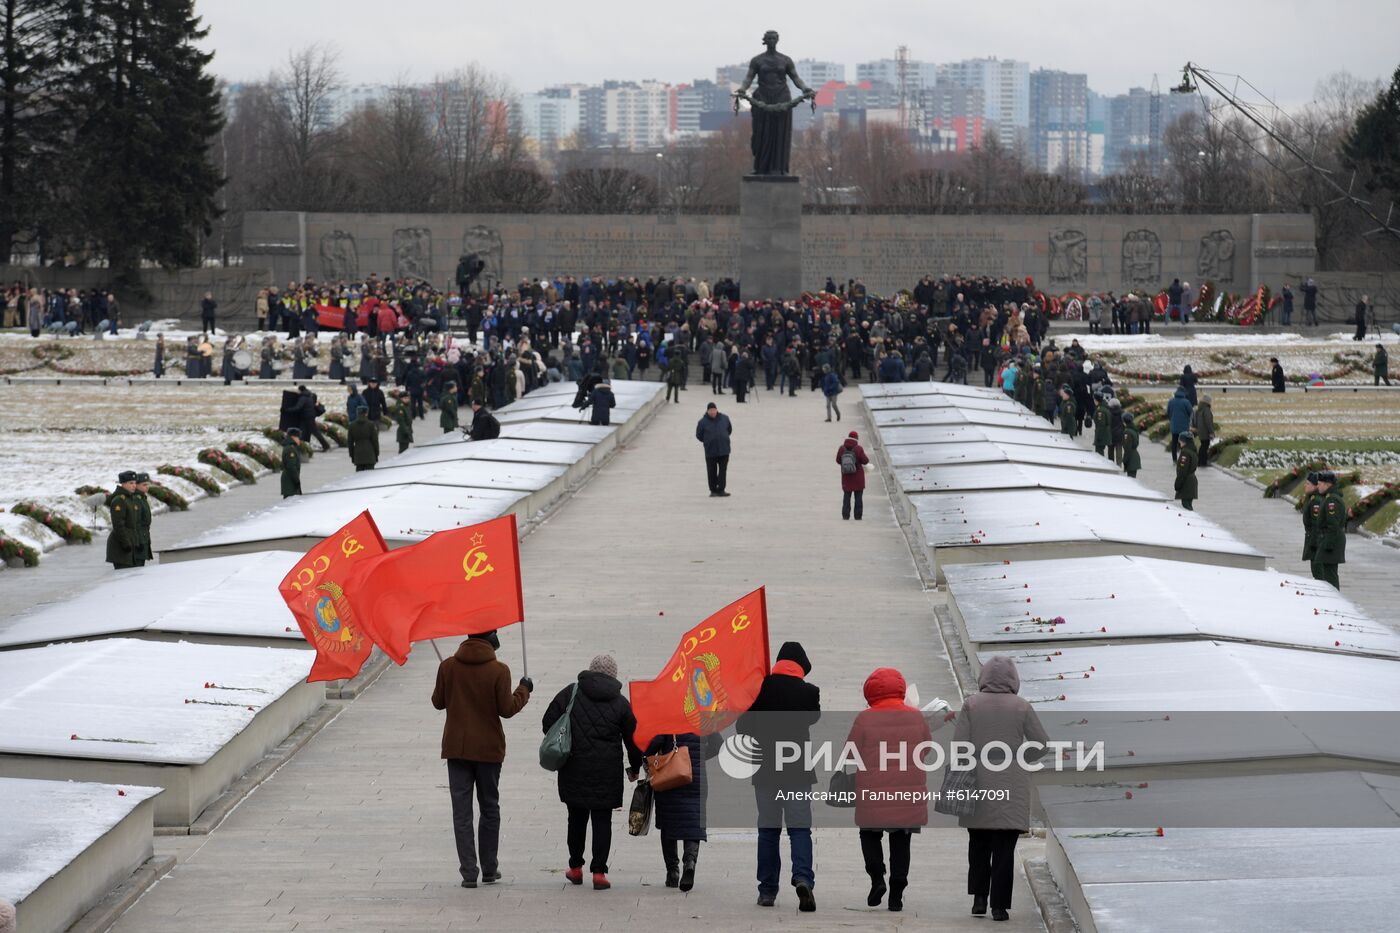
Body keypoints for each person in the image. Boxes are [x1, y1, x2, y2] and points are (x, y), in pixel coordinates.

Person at [432, 629, 532, 888]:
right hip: (489, 750)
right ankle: (489, 868)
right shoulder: (499, 670)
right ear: (491, 639)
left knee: (461, 812)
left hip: (457, 749)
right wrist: (524, 690)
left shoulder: (448, 666)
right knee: (489, 807)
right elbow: (507, 709)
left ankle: (468, 872)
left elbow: (438, 702)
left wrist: (446, 679)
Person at [954, 655, 1049, 923]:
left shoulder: (971, 705)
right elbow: (1041, 742)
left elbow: (959, 745)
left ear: (984, 677)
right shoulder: (1021, 706)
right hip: (1011, 785)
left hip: (978, 784)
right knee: (1005, 849)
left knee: (979, 844)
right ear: (1013, 679)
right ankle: (999, 906)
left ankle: (979, 899)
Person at [541, 654, 643, 891]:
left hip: (573, 767)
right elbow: (633, 740)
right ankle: (599, 872)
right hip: (606, 772)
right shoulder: (620, 703)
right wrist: (635, 768)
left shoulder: (571, 692)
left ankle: (575, 868)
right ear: (613, 675)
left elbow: (548, 722)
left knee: (576, 818)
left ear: (590, 670)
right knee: (602, 820)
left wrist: (567, 737)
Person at [735, 641, 821, 912]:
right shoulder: (810, 692)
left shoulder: (760, 689)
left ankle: (767, 891)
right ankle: (803, 878)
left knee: (768, 831)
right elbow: (813, 718)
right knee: (799, 828)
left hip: (766, 772)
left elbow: (742, 727)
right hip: (797, 771)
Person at [847, 667, 932, 912]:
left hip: (873, 789)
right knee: (901, 839)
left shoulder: (865, 718)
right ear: (901, 689)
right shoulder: (916, 716)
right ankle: (897, 892)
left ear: (871, 691)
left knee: (869, 834)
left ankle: (876, 878)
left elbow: (850, 752)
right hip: (907, 790)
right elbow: (926, 747)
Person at [646, 732, 722, 891]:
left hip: (670, 775)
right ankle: (690, 861)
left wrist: (645, 756)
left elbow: (655, 743)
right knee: (694, 820)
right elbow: (717, 744)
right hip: (696, 776)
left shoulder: (668, 715)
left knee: (668, 821)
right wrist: (696, 757)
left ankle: (672, 872)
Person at [1311, 471, 1346, 589]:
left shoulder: (1332, 501)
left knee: (1330, 576)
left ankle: (1334, 602)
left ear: (1328, 484)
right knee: (1327, 573)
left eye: (1320, 483)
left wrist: (1328, 545)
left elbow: (1333, 525)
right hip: (1329, 539)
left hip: (1331, 541)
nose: (1318, 486)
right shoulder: (1329, 497)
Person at [105, 471, 142, 570]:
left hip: (130, 545)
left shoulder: (130, 498)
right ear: (123, 484)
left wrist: (137, 542)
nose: (134, 485)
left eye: (135, 483)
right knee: (125, 578)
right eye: (131, 483)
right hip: (121, 546)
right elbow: (118, 525)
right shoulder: (119, 500)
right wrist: (126, 544)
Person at [696, 402, 732, 498]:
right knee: (711, 470)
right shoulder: (702, 422)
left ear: (716, 410)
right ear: (707, 411)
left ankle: (721, 489)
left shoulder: (725, 418)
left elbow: (729, 430)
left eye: (714, 410)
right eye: (710, 410)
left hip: (724, 449)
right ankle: (713, 490)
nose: (712, 412)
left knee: (723, 470)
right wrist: (707, 441)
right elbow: (699, 435)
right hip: (710, 450)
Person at [836, 430, 870, 520]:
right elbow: (866, 461)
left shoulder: (842, 448)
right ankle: (858, 516)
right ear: (856, 438)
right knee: (858, 498)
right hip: (858, 477)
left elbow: (838, 460)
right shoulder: (858, 449)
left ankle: (845, 515)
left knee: (846, 497)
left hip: (846, 477)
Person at [132, 472, 154, 564]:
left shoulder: (142, 498)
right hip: (139, 540)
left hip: (143, 537)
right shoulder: (136, 499)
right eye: (144, 484)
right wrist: (138, 541)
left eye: (147, 484)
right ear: (136, 485)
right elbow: (135, 522)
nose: (147, 487)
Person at [1166, 386, 1193, 460]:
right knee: (1184, 442)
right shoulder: (1186, 402)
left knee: (1174, 442)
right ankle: (1183, 458)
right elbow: (1191, 412)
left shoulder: (1171, 401)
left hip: (1174, 425)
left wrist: (1172, 419)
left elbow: (1168, 413)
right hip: (1184, 427)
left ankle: (1174, 459)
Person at [1175, 432, 1198, 511]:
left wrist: (1178, 484)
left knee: (1186, 506)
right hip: (1192, 481)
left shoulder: (1185, 453)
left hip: (1186, 483)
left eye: (1180, 441)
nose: (1179, 443)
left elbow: (1182, 471)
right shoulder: (1193, 451)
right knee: (1188, 505)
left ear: (1184, 441)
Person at [1192, 395, 1215, 466]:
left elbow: (1195, 419)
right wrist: (1211, 432)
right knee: (1205, 446)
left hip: (1200, 430)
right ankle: (1202, 462)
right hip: (1205, 431)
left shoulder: (1199, 409)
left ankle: (1200, 461)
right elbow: (1208, 422)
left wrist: (1195, 427)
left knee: (1203, 445)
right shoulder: (1206, 410)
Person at [281, 428, 303, 497]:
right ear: (293, 437)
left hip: (291, 480)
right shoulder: (290, 449)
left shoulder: (291, 447)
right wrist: (296, 481)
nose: (299, 440)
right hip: (290, 481)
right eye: (298, 438)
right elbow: (291, 466)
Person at [1121, 413, 1141, 478]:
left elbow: (1127, 448)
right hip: (1134, 457)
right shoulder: (1134, 430)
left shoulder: (1127, 432)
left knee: (1131, 479)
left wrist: (1125, 460)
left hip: (1131, 458)